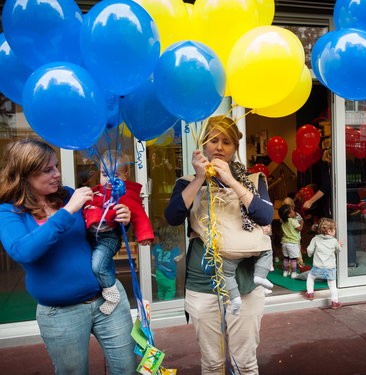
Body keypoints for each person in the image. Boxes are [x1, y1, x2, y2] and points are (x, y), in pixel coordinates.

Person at [0, 138, 136, 374]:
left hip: (107, 298)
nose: (57, 174)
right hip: (61, 313)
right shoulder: (9, 211)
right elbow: (23, 252)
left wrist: (120, 219)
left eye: (56, 166)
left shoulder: (67, 196)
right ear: (24, 175)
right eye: (47, 170)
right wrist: (67, 211)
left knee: (126, 368)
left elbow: (99, 235)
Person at [164, 115, 273, 374]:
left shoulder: (254, 179)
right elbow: (173, 217)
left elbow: (265, 216)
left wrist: (233, 182)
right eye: (213, 140)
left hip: (245, 279)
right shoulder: (187, 182)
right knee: (212, 362)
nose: (219, 147)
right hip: (203, 281)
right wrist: (200, 178)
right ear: (203, 144)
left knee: (245, 362)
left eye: (227, 142)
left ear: (235, 148)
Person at [83, 151, 154, 314]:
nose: (108, 179)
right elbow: (85, 210)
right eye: (104, 174)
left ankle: (111, 293)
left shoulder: (125, 195)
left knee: (97, 265)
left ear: (125, 176)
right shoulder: (96, 193)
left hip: (108, 238)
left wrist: (144, 236)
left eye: (114, 175)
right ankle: (103, 288)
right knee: (99, 265)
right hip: (91, 237)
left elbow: (139, 215)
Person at [303, 218, 343, 309]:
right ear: (329, 231)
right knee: (332, 284)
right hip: (330, 267)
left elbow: (309, 250)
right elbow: (338, 250)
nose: (335, 230)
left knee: (310, 277)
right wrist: (339, 245)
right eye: (334, 229)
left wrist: (309, 254)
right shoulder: (334, 240)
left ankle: (310, 293)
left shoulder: (316, 239)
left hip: (318, 266)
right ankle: (335, 302)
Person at [279, 203, 303, 279]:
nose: (294, 212)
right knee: (293, 259)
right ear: (289, 215)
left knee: (286, 258)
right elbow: (299, 229)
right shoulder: (293, 221)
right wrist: (302, 223)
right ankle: (293, 273)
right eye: (292, 211)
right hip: (293, 243)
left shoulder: (283, 221)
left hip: (284, 243)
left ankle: (285, 272)